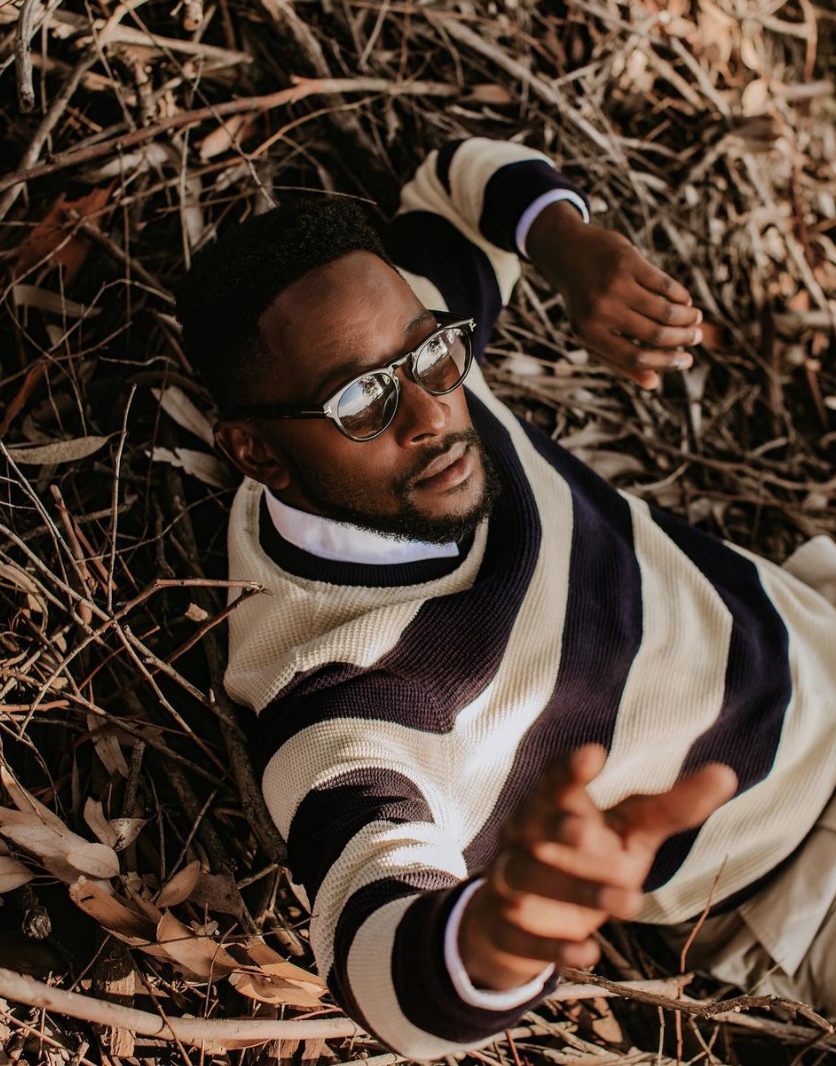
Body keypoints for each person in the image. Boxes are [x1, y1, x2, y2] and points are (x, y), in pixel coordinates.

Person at [174, 137, 836, 1057]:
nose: (430, 414)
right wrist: (497, 936)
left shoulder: (422, 362)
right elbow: (374, 939)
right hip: (802, 868)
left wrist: (569, 247)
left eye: (430, 353)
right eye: (361, 402)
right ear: (256, 452)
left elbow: (452, 179)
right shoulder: (336, 692)